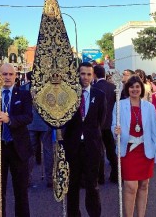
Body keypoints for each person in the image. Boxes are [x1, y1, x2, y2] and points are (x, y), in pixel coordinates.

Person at [0, 63, 33, 217]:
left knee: (21, 192)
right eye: (4, 74)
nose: (7, 77)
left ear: (16, 76)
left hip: (18, 150)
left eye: (10, 74)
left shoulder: (24, 95)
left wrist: (9, 119)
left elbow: (28, 117)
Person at [112, 75, 156, 217]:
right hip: (128, 150)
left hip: (145, 150)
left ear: (142, 88)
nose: (135, 89)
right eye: (132, 87)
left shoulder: (149, 107)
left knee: (144, 185)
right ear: (127, 89)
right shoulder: (120, 104)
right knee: (130, 186)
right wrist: (116, 131)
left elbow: (153, 130)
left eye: (137, 87)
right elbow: (113, 124)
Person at [63, 62, 106, 217]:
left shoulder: (99, 95)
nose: (85, 77)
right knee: (72, 185)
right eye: (82, 74)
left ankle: (94, 213)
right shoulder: (69, 95)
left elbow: (100, 120)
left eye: (89, 74)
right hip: (73, 147)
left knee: (92, 185)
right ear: (78, 74)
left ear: (93, 75)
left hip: (92, 147)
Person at [20, 71, 53, 188]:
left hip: (30, 123)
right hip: (45, 123)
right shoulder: (48, 88)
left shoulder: (23, 88)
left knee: (30, 152)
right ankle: (50, 178)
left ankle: (26, 178)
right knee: (48, 151)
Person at [93, 65, 118, 184]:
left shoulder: (94, 88)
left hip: (98, 124)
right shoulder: (113, 87)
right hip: (111, 122)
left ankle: (100, 176)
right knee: (111, 150)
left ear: (94, 74)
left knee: (98, 151)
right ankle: (115, 174)